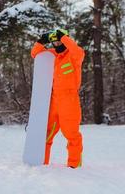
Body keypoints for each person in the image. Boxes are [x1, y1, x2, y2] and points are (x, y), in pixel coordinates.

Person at [30, 29, 85, 168]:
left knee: (71, 133)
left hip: (69, 99)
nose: (57, 43)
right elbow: (35, 54)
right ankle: (42, 161)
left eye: (59, 40)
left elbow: (78, 51)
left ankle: (74, 164)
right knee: (46, 133)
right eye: (54, 41)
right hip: (53, 99)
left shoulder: (73, 56)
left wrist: (64, 37)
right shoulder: (52, 56)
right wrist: (42, 41)